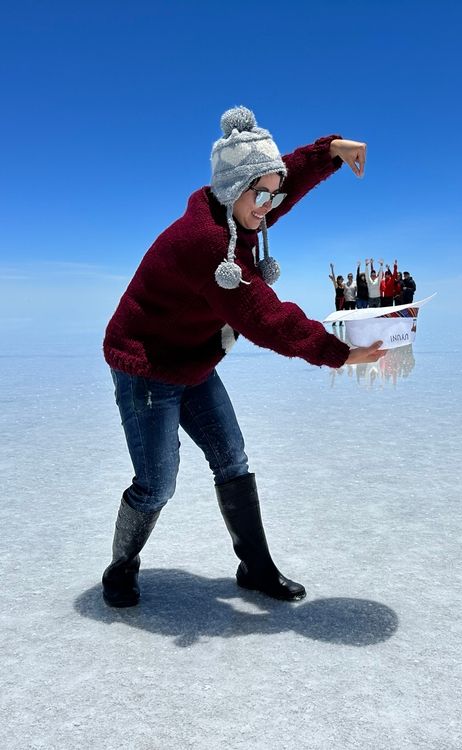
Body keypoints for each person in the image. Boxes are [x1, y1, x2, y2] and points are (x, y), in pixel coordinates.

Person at [101, 106, 384, 608]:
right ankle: (120, 568)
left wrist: (330, 152)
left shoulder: (238, 207)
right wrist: (339, 354)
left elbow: (282, 180)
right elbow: (264, 316)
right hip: (144, 365)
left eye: (273, 193)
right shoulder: (208, 245)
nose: (269, 205)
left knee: (232, 457)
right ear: (234, 189)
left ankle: (255, 568)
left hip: (192, 360)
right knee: (157, 483)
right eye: (260, 194)